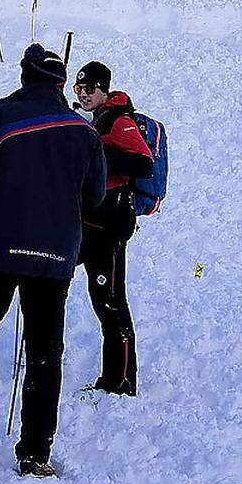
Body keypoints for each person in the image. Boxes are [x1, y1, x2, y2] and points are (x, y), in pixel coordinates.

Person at [0, 44, 106, 477]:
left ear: (24, 77)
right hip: (53, 254)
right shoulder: (85, 132)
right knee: (45, 353)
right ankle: (35, 452)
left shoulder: (1, 117)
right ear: (59, 82)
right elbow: (95, 196)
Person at [73, 62, 153, 396]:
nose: (83, 94)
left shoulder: (120, 121)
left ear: (105, 89)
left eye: (90, 88)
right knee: (98, 295)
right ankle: (114, 376)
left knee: (110, 300)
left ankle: (121, 380)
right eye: (79, 88)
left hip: (110, 227)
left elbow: (143, 163)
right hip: (91, 222)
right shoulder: (98, 120)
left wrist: (100, 151)